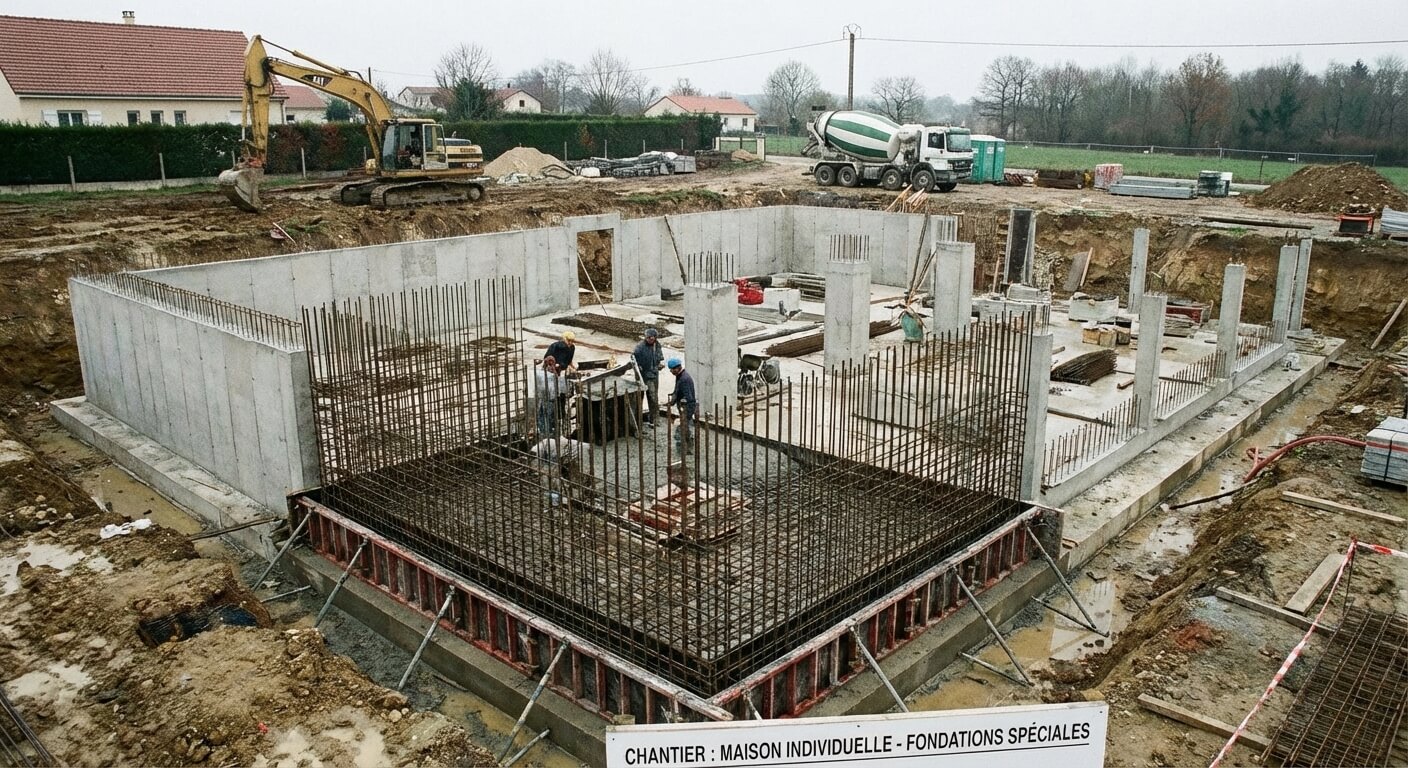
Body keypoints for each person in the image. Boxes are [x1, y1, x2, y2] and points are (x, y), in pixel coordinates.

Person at [632, 328, 664, 428]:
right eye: (649, 338)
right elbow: (634, 362)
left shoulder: (657, 345)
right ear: (646, 338)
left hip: (653, 376)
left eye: (653, 338)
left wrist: (659, 365)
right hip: (642, 376)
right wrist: (639, 371)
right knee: (639, 399)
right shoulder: (639, 347)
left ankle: (654, 420)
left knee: (653, 398)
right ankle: (637, 422)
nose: (651, 339)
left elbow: (660, 358)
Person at [665, 358, 697, 453]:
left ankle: (685, 449)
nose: (671, 371)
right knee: (686, 428)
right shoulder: (680, 376)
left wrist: (686, 413)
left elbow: (689, 397)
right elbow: (677, 391)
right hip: (684, 407)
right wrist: (672, 402)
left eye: (672, 369)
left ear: (678, 368)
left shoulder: (684, 379)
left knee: (682, 429)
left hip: (687, 408)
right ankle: (688, 447)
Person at [535, 357, 572, 436]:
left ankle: (549, 433)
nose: (551, 367)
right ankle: (546, 433)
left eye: (552, 364)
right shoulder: (543, 375)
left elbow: (564, 391)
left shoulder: (557, 376)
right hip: (547, 399)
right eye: (549, 364)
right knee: (545, 417)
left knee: (550, 418)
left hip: (553, 400)